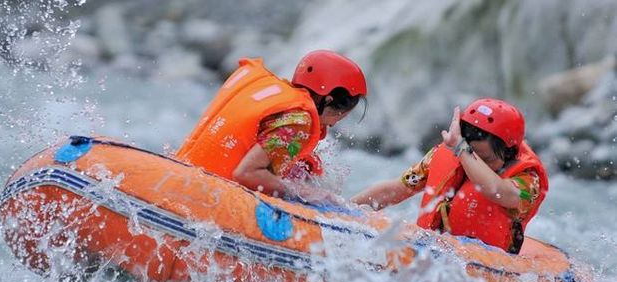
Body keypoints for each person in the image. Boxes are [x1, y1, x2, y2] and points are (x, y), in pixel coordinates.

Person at [352, 99, 548, 253]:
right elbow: (395, 190)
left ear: (510, 152)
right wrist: (345, 209)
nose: (473, 163)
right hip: (436, 250)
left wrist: (463, 151)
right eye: (471, 154)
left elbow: (496, 191)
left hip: (487, 262)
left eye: (484, 159)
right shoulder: (448, 153)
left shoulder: (529, 179)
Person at [176, 50, 367, 200]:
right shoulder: (298, 121)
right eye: (339, 117)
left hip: (182, 178)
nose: (333, 125)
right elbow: (247, 174)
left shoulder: (269, 92)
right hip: (204, 197)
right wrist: (307, 194)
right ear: (328, 100)